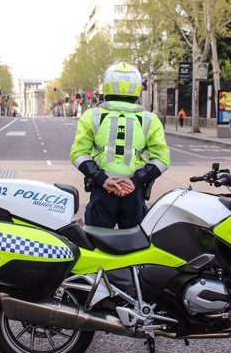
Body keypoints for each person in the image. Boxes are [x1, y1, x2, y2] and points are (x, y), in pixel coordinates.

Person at [69, 61, 170, 229]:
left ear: (107, 86)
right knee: (135, 248)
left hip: (102, 192)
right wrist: (135, 181)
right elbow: (162, 159)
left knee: (97, 247)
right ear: (137, 87)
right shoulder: (149, 119)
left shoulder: (91, 116)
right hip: (134, 195)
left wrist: (103, 180)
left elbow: (78, 154)